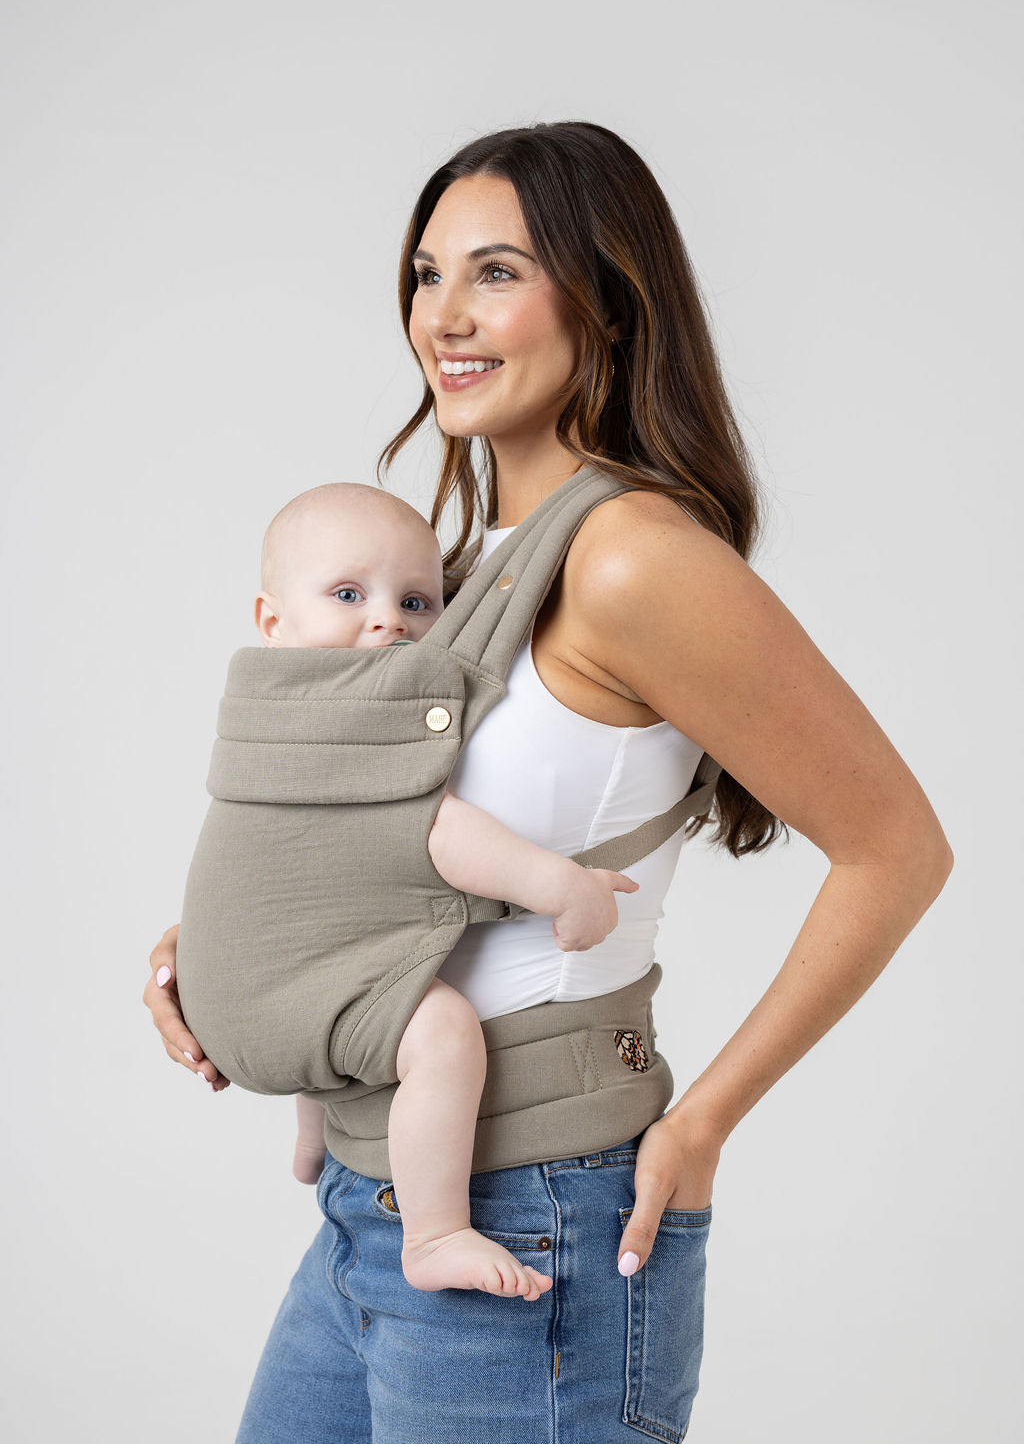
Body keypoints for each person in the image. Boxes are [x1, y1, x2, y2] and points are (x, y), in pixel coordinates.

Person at [144, 121, 953, 1443]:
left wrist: (698, 1129)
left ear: (610, 300)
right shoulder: (448, 576)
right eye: (424, 272)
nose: (444, 316)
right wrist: (233, 946)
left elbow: (897, 848)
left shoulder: (631, 557)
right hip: (374, 1201)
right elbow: (384, 847)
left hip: (539, 1210)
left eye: (497, 272)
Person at [191, 476, 638, 1301]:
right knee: (437, 1028)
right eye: (349, 594)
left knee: (351, 958)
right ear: (271, 621)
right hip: (294, 1000)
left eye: (418, 601)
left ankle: (311, 1141)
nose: (388, 620)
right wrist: (561, 886)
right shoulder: (364, 708)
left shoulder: (258, 717)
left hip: (222, 992)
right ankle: (435, 1234)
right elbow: (433, 830)